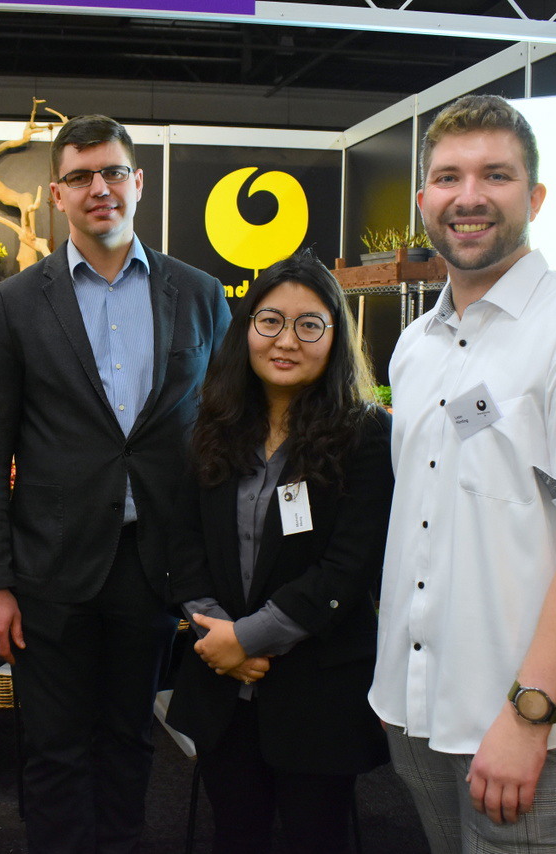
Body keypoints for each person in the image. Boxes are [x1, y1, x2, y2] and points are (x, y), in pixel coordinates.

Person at [369, 94, 556, 853]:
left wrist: (527, 716)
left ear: (534, 198)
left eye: (496, 176)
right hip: (418, 712)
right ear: (424, 200)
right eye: (449, 177)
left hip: (534, 728)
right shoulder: (416, 347)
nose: (469, 196)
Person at [0, 114, 231, 853]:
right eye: (80, 177)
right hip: (48, 569)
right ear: (58, 195)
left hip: (154, 564)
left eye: (113, 172)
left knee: (130, 740)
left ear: (138, 182)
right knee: (53, 749)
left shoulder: (200, 294)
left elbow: (227, 433)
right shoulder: (17, 303)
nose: (99, 188)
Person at [166, 251, 393, 853]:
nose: (286, 340)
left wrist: (246, 639)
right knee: (235, 835)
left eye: (309, 325)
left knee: (317, 837)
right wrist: (217, 636)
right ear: (246, 329)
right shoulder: (211, 425)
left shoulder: (366, 433)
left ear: (335, 336)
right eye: (270, 321)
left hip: (318, 693)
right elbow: (183, 546)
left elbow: (346, 569)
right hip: (221, 688)